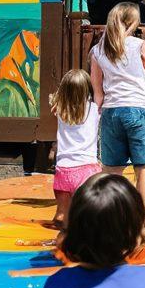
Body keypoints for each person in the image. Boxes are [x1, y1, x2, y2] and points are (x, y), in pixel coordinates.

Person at [90, 3, 145, 216]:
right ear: (133, 23)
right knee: (142, 170)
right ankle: (141, 225)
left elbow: (98, 95)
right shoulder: (138, 46)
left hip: (111, 112)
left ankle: (112, 220)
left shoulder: (97, 50)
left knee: (112, 171)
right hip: (137, 110)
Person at [49, 69, 100, 229]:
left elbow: (54, 99)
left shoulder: (59, 110)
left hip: (63, 170)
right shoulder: (94, 109)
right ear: (87, 90)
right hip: (87, 171)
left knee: (62, 214)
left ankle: (63, 226)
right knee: (88, 215)